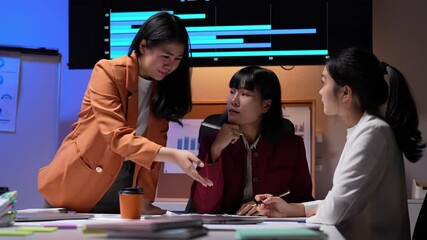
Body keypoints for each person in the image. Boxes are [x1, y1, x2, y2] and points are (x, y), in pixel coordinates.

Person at [38, 11, 213, 214]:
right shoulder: (108, 71)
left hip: (123, 190)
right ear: (143, 46)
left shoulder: (164, 89)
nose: (171, 65)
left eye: (177, 59)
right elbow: (116, 136)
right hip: (76, 184)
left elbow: (156, 146)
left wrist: (145, 198)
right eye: (165, 56)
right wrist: (173, 155)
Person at [255, 47, 426, 240]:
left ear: (345, 92)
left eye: (324, 82)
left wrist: (312, 215)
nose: (320, 91)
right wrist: (294, 209)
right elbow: (338, 200)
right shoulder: (366, 130)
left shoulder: (373, 132)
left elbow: (334, 211)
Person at [190, 66, 314, 215]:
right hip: (224, 230)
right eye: (232, 92)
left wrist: (267, 207)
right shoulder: (211, 143)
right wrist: (215, 150)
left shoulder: (292, 147)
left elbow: (304, 202)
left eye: (244, 94)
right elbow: (204, 207)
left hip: (271, 229)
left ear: (266, 105)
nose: (234, 101)